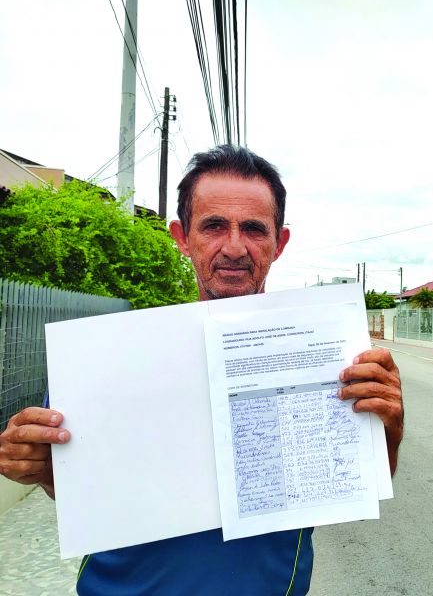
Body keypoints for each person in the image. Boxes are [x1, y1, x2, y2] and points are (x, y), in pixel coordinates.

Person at [0, 144, 404, 595]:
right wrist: (34, 465)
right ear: (182, 236)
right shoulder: (108, 357)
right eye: (214, 226)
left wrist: (390, 423)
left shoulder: (327, 353)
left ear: (279, 242)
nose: (234, 247)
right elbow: (79, 493)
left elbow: (360, 482)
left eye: (253, 229)